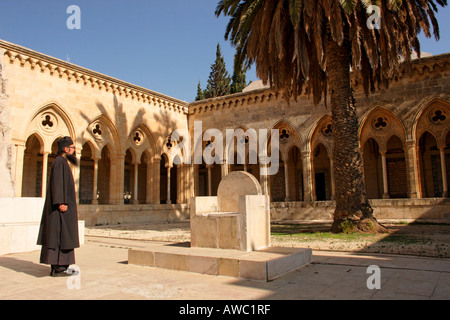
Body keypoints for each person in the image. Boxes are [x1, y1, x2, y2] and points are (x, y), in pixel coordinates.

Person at [37, 136, 80, 277]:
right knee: (61, 235)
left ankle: (60, 266)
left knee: (63, 235)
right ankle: (59, 268)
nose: (74, 151)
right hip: (61, 208)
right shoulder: (59, 162)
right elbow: (58, 183)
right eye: (73, 148)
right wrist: (61, 202)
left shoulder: (62, 162)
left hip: (63, 207)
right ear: (66, 149)